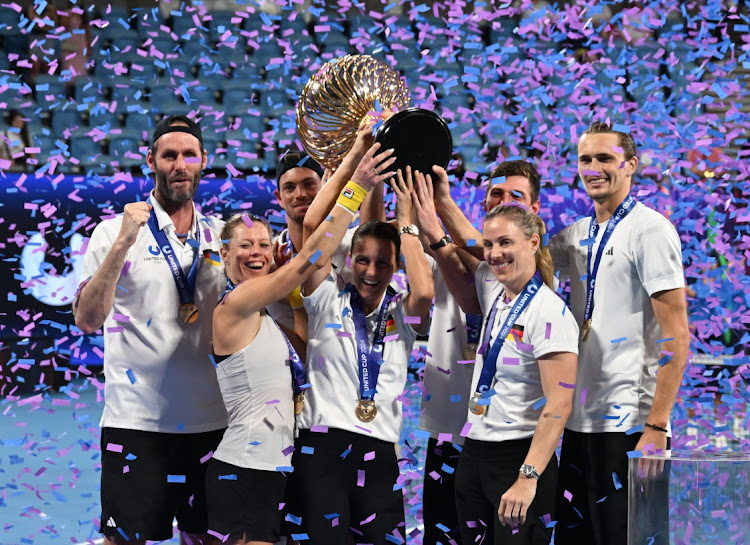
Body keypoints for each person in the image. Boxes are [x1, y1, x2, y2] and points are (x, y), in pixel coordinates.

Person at [205, 142, 393, 545]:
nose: (255, 253)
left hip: (282, 458)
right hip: (249, 464)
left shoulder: (267, 317)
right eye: (244, 246)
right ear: (223, 253)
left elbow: (305, 342)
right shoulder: (240, 301)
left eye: (260, 245)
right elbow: (309, 257)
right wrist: (356, 180)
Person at [74, 114, 228, 545]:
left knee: (208, 539)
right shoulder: (112, 232)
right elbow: (87, 320)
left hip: (211, 421)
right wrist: (124, 241)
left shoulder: (221, 236)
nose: (180, 164)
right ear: (152, 161)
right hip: (136, 422)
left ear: (203, 162)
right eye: (170, 155)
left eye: (189, 155)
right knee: (123, 541)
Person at [412, 167, 578, 545]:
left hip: (518, 458)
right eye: (488, 245)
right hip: (475, 453)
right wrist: (428, 212)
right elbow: (452, 252)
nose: (495, 254)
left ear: (534, 243)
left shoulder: (550, 312)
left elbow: (559, 405)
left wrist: (527, 476)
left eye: (506, 243)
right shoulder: (494, 291)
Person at [549, 122, 689, 545]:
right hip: (578, 424)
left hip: (630, 426)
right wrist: (437, 215)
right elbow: (505, 253)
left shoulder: (651, 230)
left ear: (631, 165)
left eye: (605, 158)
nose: (593, 168)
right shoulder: (575, 235)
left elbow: (677, 336)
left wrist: (657, 426)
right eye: (585, 159)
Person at [285, 166, 434, 545]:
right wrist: (358, 181)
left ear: (396, 266)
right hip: (320, 449)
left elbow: (426, 291)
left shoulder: (403, 315)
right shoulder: (325, 299)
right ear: (349, 260)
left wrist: (405, 222)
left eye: (383, 262)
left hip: (380, 452)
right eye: (363, 260)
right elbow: (314, 225)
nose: (370, 271)